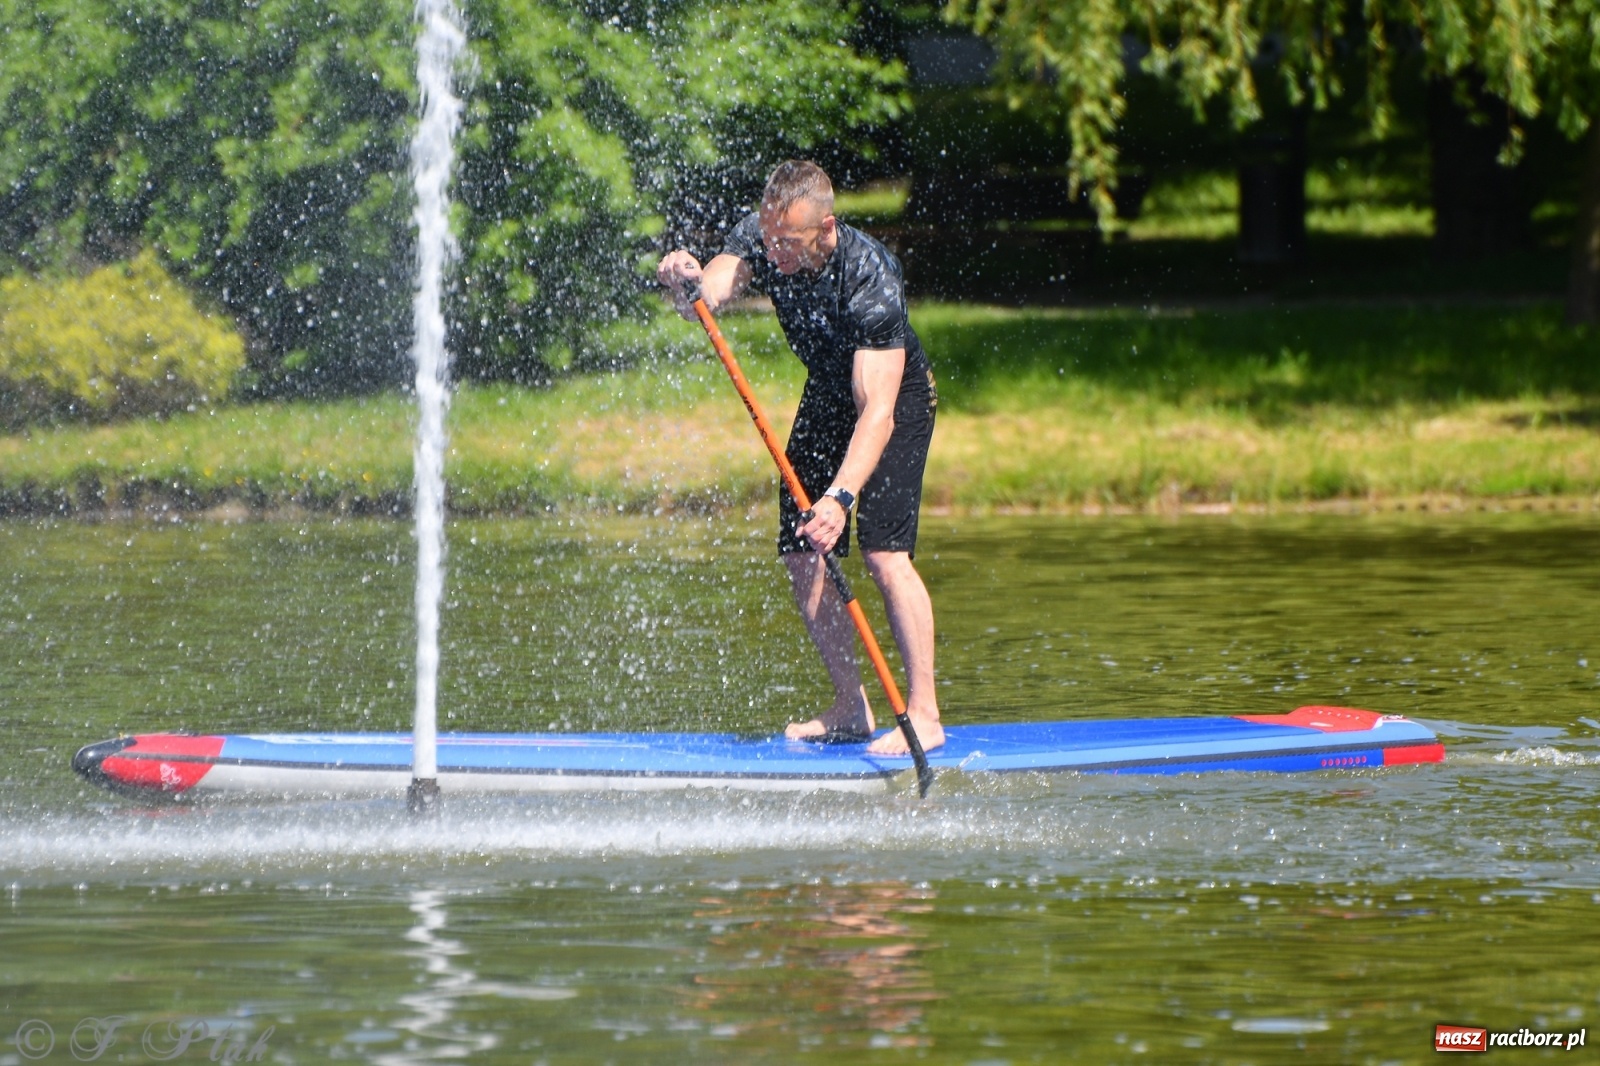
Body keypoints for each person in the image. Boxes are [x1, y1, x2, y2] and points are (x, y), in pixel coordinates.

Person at [657, 160, 944, 755]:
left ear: (827, 230)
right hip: (828, 393)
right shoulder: (764, 234)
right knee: (800, 550)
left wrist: (841, 498)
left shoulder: (871, 279)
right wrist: (687, 279)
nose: (774, 253)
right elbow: (713, 288)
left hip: (894, 402)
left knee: (883, 553)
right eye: (769, 240)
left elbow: (878, 412)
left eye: (787, 244)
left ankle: (925, 714)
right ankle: (851, 707)